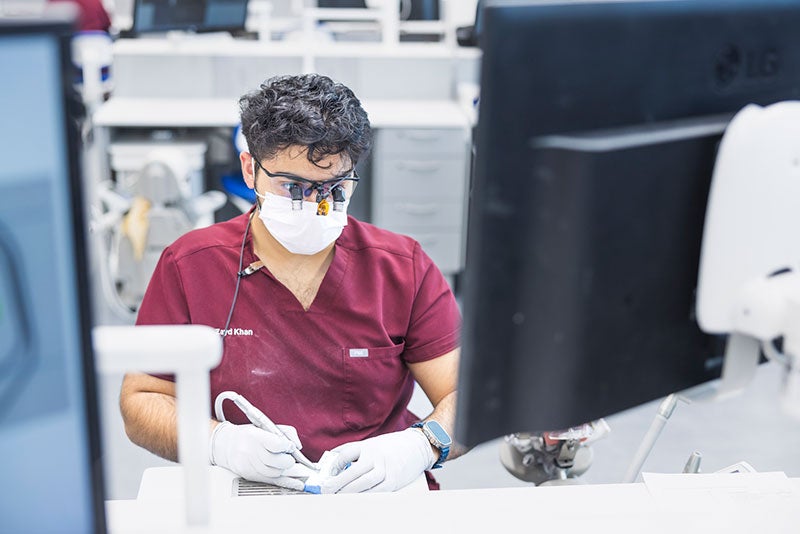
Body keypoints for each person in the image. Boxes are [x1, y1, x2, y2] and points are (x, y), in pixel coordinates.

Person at [119, 74, 465, 493]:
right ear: (251, 170)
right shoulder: (190, 265)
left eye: (335, 187)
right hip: (244, 488)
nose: (316, 206)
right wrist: (218, 442)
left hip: (375, 492)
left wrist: (419, 447)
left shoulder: (401, 268)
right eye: (293, 187)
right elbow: (141, 400)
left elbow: (465, 399)